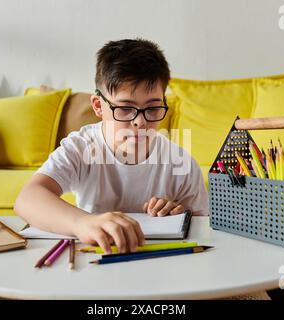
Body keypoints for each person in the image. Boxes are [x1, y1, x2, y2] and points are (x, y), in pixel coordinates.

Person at [14, 38, 208, 254]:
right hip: (97, 257)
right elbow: (27, 199)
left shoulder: (181, 163)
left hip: (157, 261)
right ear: (98, 106)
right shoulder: (81, 147)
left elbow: (202, 236)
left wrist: (180, 216)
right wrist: (83, 223)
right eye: (125, 108)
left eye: (153, 108)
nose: (140, 122)